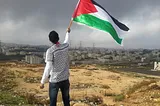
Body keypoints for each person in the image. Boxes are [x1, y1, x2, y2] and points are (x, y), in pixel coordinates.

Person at [40, 28, 71, 106]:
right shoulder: (65, 47)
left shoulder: (50, 51)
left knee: (53, 102)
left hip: (55, 80)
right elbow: (67, 41)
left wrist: (42, 82)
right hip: (65, 78)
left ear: (50, 40)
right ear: (58, 37)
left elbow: (48, 67)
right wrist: (68, 32)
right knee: (66, 100)